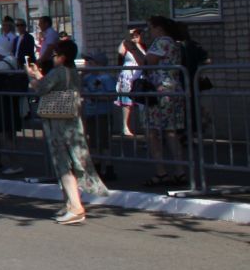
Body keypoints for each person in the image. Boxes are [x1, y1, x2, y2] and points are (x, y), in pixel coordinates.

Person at [31, 38, 109, 225]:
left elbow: (41, 88)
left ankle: (75, 206)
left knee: (63, 163)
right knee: (71, 162)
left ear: (62, 56)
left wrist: (33, 75)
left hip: (59, 123)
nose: (52, 57)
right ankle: (69, 204)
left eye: (55, 54)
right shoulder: (73, 72)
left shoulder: (58, 72)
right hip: (72, 121)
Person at [123, 16, 189, 187]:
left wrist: (133, 49)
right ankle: (179, 171)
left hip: (158, 92)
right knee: (171, 131)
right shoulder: (173, 42)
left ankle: (161, 172)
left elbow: (147, 63)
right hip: (172, 89)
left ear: (158, 28)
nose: (148, 32)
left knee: (153, 132)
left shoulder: (161, 42)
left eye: (150, 28)